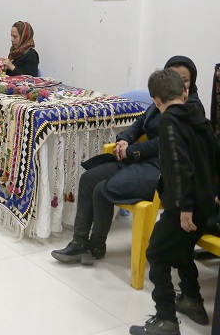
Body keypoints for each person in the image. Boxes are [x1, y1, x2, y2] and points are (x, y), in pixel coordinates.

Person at [52, 56, 204, 266]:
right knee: (89, 179)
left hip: (161, 168)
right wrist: (124, 139)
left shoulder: (191, 108)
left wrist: (131, 151)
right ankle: (78, 242)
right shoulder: (160, 100)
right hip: (140, 160)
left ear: (191, 83)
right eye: (173, 77)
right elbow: (140, 122)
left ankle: (96, 246)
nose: (177, 84)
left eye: (184, 80)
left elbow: (165, 144)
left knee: (102, 189)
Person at [129, 68, 219, 335]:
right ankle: (192, 300)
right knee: (181, 250)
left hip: (184, 206)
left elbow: (179, 166)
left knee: (156, 254)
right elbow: (216, 154)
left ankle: (165, 319)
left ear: (156, 101)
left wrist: (184, 207)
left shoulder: (168, 122)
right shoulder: (199, 117)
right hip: (205, 203)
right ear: (185, 92)